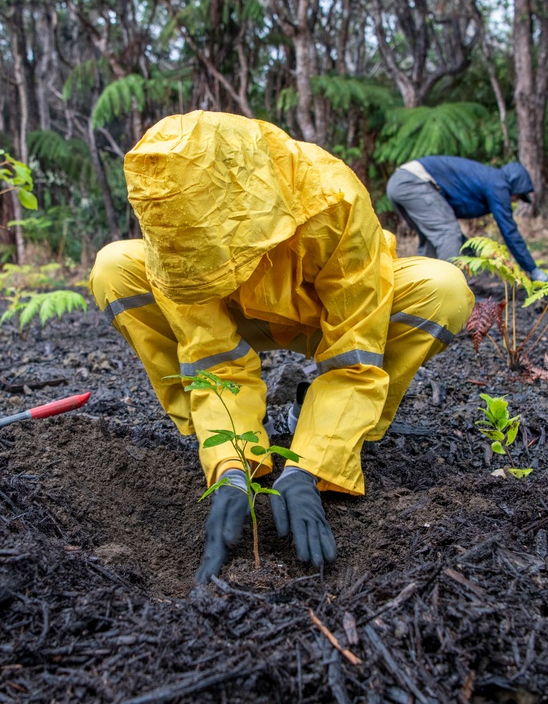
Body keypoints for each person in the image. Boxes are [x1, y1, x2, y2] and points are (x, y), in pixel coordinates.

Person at [90, 111, 474, 583]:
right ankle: (218, 440)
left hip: (325, 317)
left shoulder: (333, 198)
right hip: (237, 319)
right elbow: (214, 359)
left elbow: (356, 353)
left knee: (444, 289)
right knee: (114, 268)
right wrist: (231, 466)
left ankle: (328, 430)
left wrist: (308, 469)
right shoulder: (176, 242)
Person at [386, 156, 548, 281]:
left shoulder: (489, 177)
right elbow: (509, 231)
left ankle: (420, 288)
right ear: (514, 184)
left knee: (430, 240)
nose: (515, 200)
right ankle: (450, 292)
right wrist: (533, 269)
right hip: (414, 182)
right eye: (518, 196)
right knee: (448, 234)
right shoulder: (499, 184)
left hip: (399, 182)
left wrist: (469, 251)